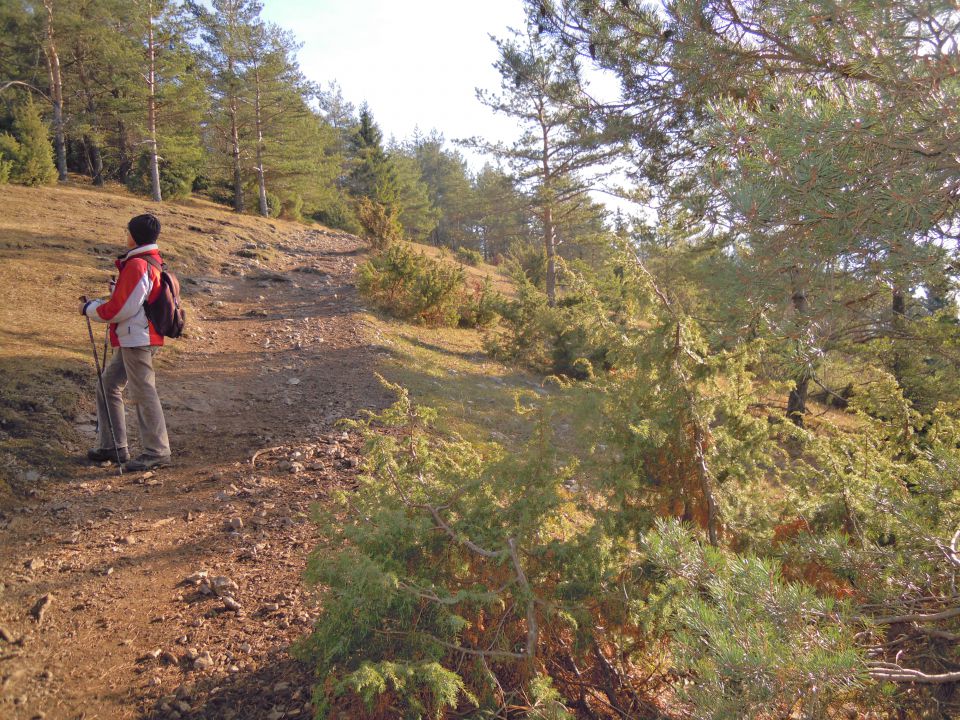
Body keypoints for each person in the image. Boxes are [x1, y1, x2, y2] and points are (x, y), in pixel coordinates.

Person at [80, 213, 171, 471]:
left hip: (137, 337)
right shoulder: (152, 261)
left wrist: (89, 308)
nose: (125, 235)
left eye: (127, 230)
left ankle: (157, 451)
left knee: (143, 391)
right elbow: (135, 300)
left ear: (135, 235)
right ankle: (112, 446)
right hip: (138, 335)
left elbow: (121, 308)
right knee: (108, 384)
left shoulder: (138, 264)